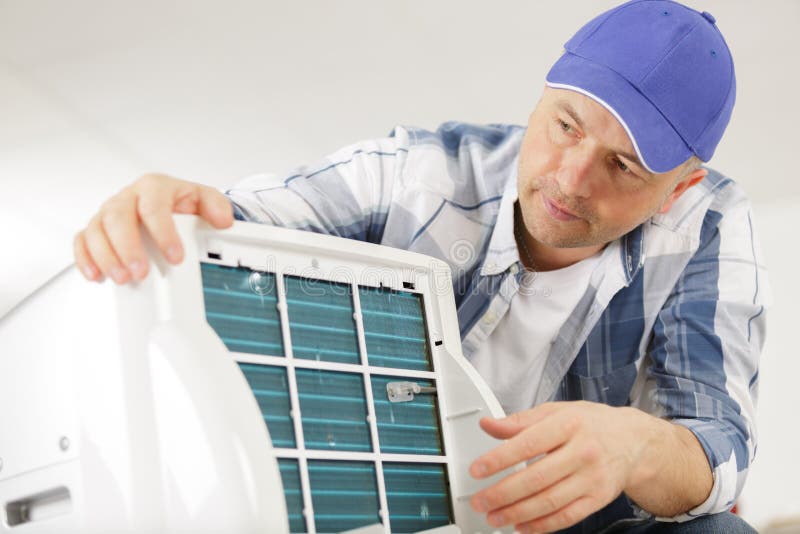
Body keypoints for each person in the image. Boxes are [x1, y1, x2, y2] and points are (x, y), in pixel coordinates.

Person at [72, 1, 768, 532]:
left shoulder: (707, 225)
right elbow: (246, 220)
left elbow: (719, 442)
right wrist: (179, 214)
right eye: (565, 125)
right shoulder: (421, 172)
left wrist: (639, 446)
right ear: (542, 94)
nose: (570, 179)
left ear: (678, 187)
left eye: (622, 166)